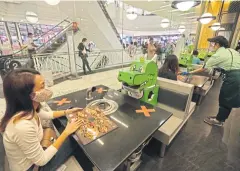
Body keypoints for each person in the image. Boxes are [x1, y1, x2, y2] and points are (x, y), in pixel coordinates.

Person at [0, 68, 82, 171]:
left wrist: (67, 111)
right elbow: (41, 160)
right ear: (29, 95)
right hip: (32, 167)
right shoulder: (22, 126)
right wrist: (66, 132)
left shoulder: (28, 107)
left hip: (36, 153)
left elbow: (47, 115)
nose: (46, 89)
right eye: (42, 86)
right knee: (75, 141)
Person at [189, 36, 240, 126]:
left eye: (212, 44)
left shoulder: (218, 55)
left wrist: (189, 72)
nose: (211, 46)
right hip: (236, 76)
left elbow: (204, 69)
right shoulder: (233, 51)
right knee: (229, 98)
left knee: (225, 98)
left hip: (233, 77)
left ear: (217, 44)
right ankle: (221, 118)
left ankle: (219, 120)